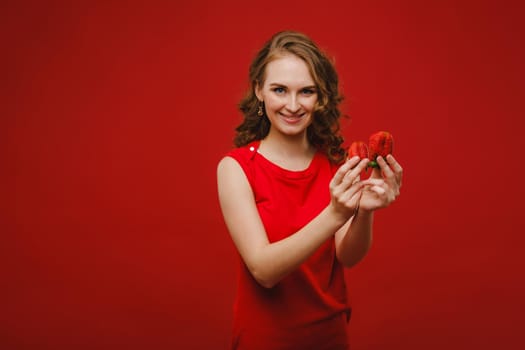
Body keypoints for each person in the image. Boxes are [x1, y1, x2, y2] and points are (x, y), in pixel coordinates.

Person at [217, 31, 403, 350]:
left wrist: (364, 212)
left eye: (306, 91)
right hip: (264, 340)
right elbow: (263, 269)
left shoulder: (335, 163)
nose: (293, 105)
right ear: (259, 90)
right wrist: (335, 213)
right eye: (279, 90)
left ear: (321, 97)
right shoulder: (235, 168)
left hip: (329, 336)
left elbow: (348, 255)